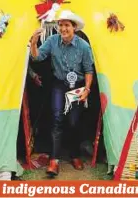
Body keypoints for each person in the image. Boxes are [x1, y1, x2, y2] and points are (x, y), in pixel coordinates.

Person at [30, 10, 94, 176]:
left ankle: (74, 155)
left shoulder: (84, 47)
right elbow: (37, 58)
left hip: (78, 86)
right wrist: (34, 44)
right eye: (61, 25)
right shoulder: (52, 41)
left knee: (74, 121)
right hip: (59, 85)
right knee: (57, 117)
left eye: (67, 25)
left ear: (74, 28)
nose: (63, 29)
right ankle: (54, 160)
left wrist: (87, 89)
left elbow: (88, 70)